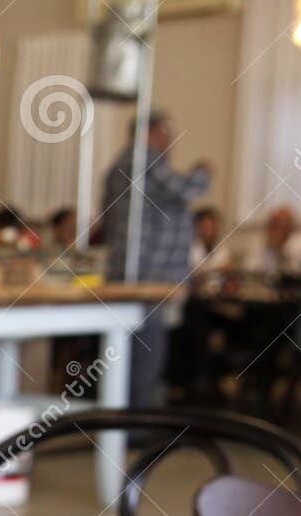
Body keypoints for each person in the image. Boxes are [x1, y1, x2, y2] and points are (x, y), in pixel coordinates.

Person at [101, 110, 212, 407]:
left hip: (128, 272)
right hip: (150, 278)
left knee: (126, 353)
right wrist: (203, 171)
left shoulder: (118, 167)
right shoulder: (145, 160)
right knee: (146, 355)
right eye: (166, 133)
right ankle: (136, 425)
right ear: (150, 132)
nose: (170, 141)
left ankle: (121, 421)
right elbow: (190, 190)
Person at [243, 205, 301, 279]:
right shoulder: (259, 241)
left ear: (292, 227)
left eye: (283, 225)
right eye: (273, 224)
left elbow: (295, 272)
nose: (277, 230)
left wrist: (279, 249)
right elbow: (249, 269)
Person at [190, 206, 231, 279]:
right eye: (205, 227)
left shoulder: (223, 248)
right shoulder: (190, 248)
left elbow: (226, 270)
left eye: (212, 226)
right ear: (198, 227)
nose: (209, 231)